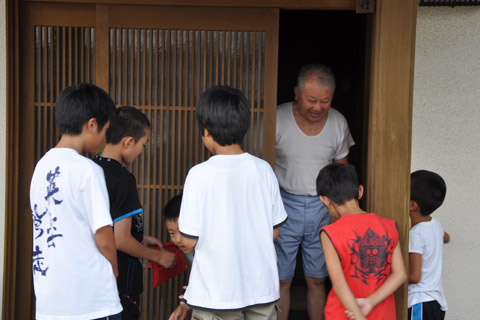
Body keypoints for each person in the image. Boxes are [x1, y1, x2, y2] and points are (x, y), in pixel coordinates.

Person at [178, 85, 288, 319]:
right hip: (261, 290)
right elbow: (274, 231)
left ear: (206, 132)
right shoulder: (263, 170)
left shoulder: (198, 175)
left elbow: (188, 239)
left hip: (216, 293)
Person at [29, 83, 123, 319]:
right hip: (91, 301)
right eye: (105, 130)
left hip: (50, 301)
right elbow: (105, 239)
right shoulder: (88, 170)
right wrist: (113, 271)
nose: (104, 138)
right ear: (92, 124)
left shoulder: (41, 167)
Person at [274, 63, 355, 320]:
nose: (317, 107)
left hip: (323, 206)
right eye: (311, 100)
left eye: (325, 101)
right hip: (283, 204)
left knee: (318, 279)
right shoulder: (276, 117)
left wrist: (338, 211)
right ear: (296, 93)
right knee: (281, 279)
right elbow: (260, 163)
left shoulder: (338, 122)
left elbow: (342, 169)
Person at [93, 106, 176, 320]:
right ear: (128, 142)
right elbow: (120, 240)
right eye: (143, 144)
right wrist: (159, 256)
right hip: (119, 287)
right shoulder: (123, 180)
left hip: (94, 283)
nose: (141, 150)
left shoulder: (90, 168)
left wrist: (142, 237)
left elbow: (105, 226)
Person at [317, 163, 407, 320]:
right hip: (381, 312)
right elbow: (400, 274)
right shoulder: (388, 226)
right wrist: (370, 302)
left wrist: (359, 317)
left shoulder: (330, 232)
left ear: (324, 199)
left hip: (344, 313)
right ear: (360, 191)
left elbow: (338, 283)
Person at [408, 170, 450, 320]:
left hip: (420, 303)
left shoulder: (416, 234)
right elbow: (446, 238)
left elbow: (414, 276)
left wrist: (393, 273)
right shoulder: (436, 224)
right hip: (437, 302)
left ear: (412, 205)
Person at [164, 194, 193, 320]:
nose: (178, 239)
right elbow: (196, 275)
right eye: (172, 233)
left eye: (182, 232)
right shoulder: (186, 249)